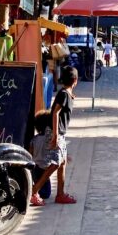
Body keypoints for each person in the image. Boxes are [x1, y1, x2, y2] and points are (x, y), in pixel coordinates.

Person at [30, 65, 79, 205]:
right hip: (54, 131)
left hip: (59, 132)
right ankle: (34, 191)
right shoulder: (64, 94)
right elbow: (56, 112)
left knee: (62, 163)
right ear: (75, 80)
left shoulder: (67, 94)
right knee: (55, 163)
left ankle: (60, 194)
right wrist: (55, 135)